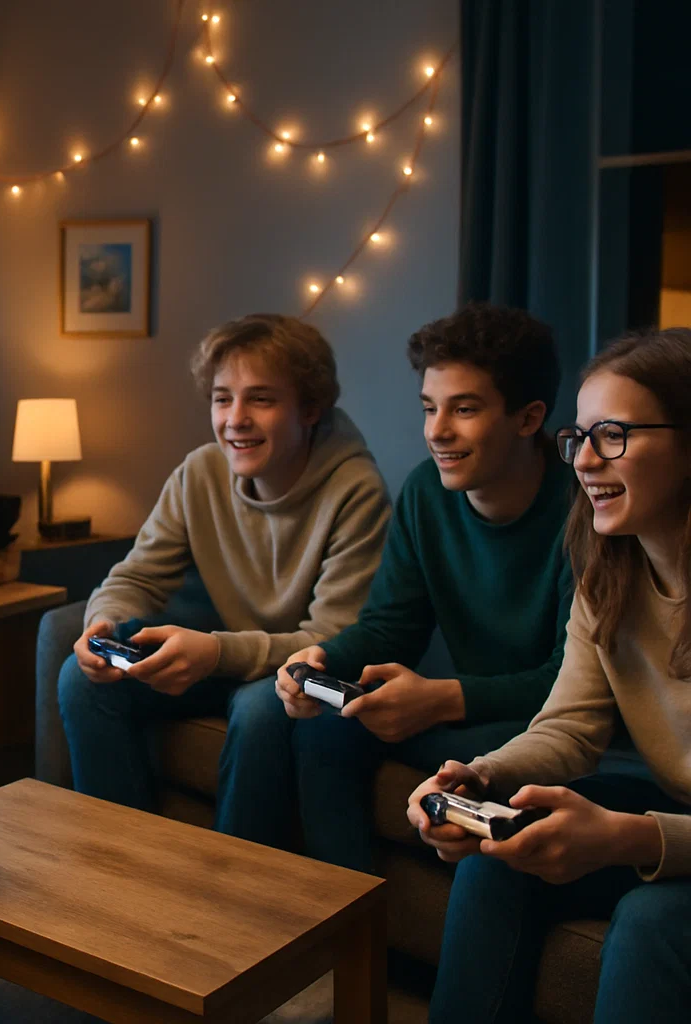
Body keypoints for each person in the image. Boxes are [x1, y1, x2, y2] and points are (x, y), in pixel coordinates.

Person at [217, 304, 575, 869]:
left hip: (548, 726)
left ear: (529, 419)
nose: (437, 431)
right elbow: (393, 626)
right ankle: (333, 922)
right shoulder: (426, 492)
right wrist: (321, 657)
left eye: (465, 409)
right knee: (321, 729)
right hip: (469, 710)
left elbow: (574, 682)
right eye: (430, 408)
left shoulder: (584, 507)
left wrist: (441, 698)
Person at [407, 328, 691, 1024]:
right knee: (499, 847)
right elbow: (569, 726)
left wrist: (630, 836)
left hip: (671, 829)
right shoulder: (607, 578)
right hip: (673, 806)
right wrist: (478, 775)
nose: (586, 460)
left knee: (654, 921)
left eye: (614, 435)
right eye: (580, 437)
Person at [58, 313, 392, 817]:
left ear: (310, 408)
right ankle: (115, 863)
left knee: (261, 708)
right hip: (227, 659)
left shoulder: (358, 492)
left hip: (297, 675)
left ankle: (229, 885)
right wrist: (102, 624)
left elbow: (332, 639)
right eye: (222, 398)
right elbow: (137, 575)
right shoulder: (200, 472)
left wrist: (215, 653)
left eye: (261, 398)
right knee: (80, 677)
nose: (235, 418)